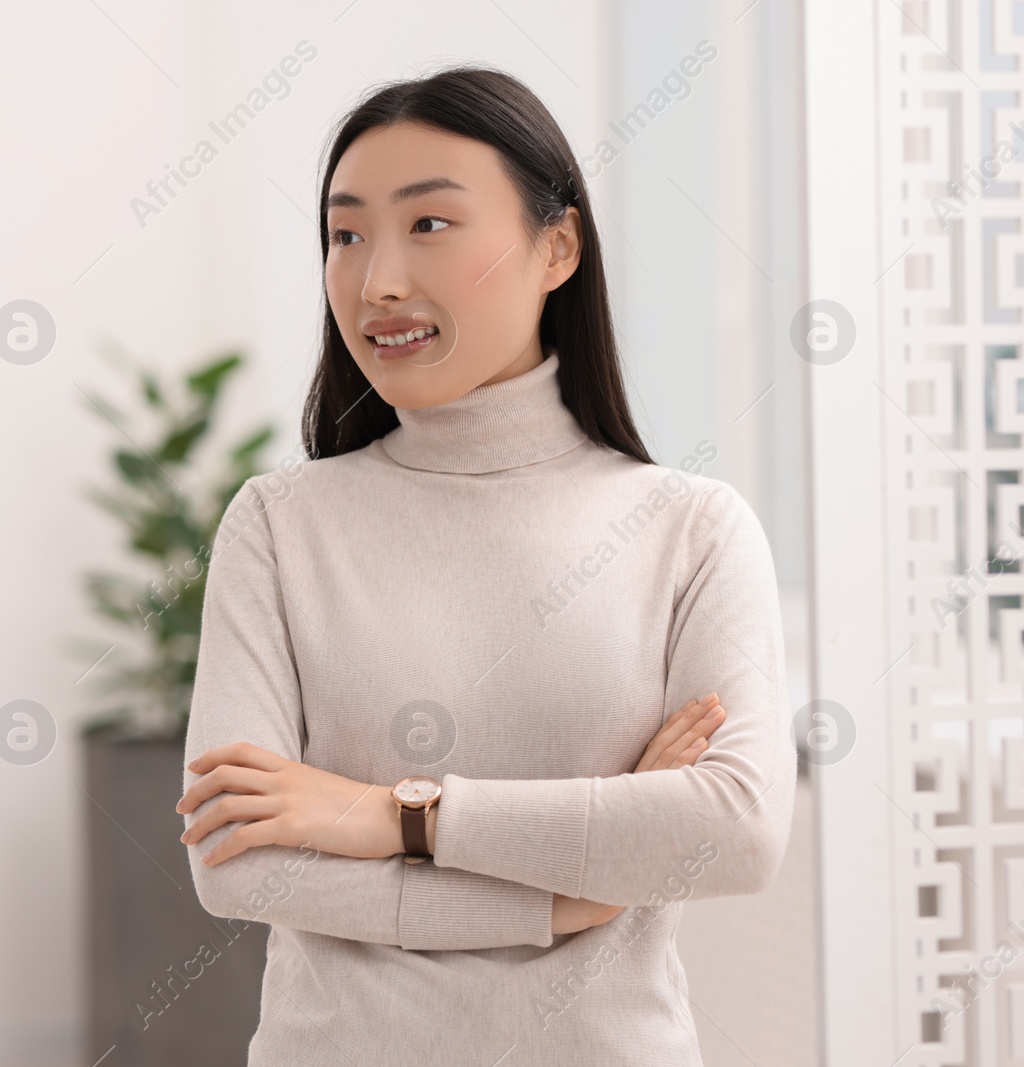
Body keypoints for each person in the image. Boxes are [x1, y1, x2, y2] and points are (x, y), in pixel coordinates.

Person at [175, 66, 797, 1065]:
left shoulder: (690, 528)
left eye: (429, 225)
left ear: (556, 246)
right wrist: (570, 895)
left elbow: (730, 829)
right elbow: (237, 861)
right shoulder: (280, 525)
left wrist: (394, 815)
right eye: (344, 234)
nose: (376, 279)